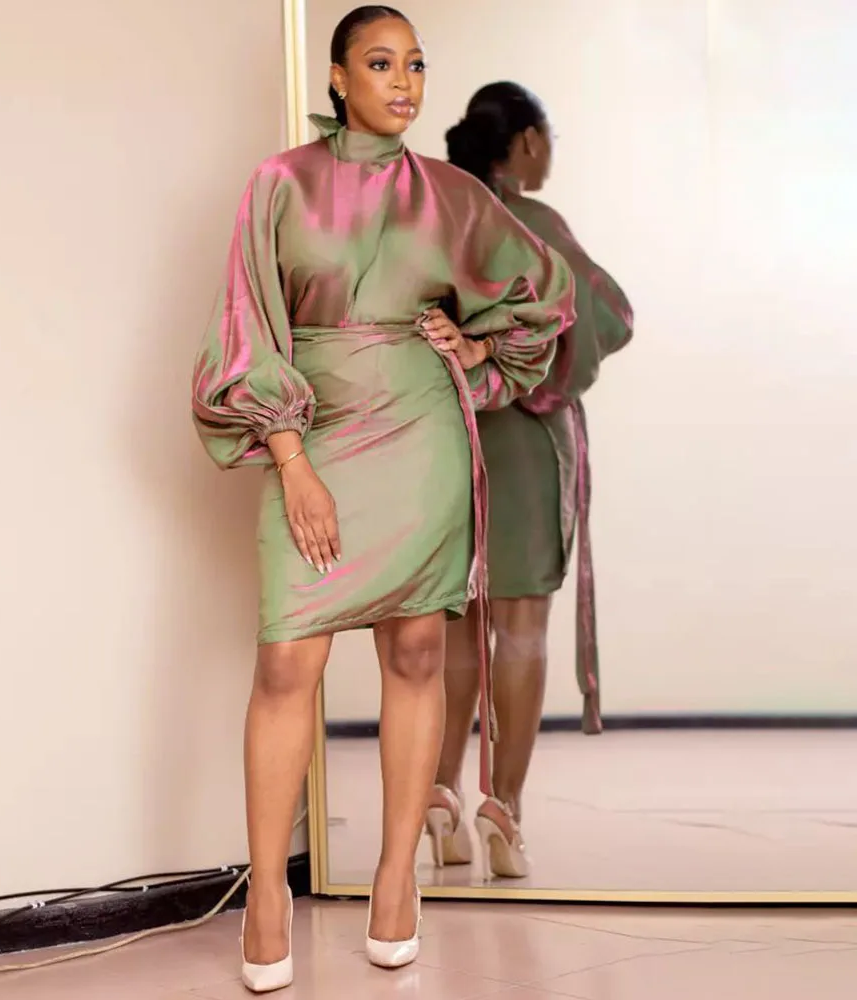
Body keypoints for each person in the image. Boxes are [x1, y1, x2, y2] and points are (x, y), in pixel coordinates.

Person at [192, 9, 576, 992]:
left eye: (415, 64)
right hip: (313, 432)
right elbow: (247, 327)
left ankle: (397, 874)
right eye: (379, 62)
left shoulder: (449, 194)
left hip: (420, 438)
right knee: (288, 661)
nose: (403, 81)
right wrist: (292, 460)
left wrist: (478, 345)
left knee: (415, 653)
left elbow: (544, 292)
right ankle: (268, 896)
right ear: (337, 77)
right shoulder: (280, 183)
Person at [427, 82, 634, 880]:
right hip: (522, 442)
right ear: (524, 143)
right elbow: (609, 316)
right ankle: (503, 811)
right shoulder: (536, 226)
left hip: (447, 437)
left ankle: (441, 797)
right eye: (546, 139)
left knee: (454, 629)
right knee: (518, 630)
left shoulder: (434, 218)